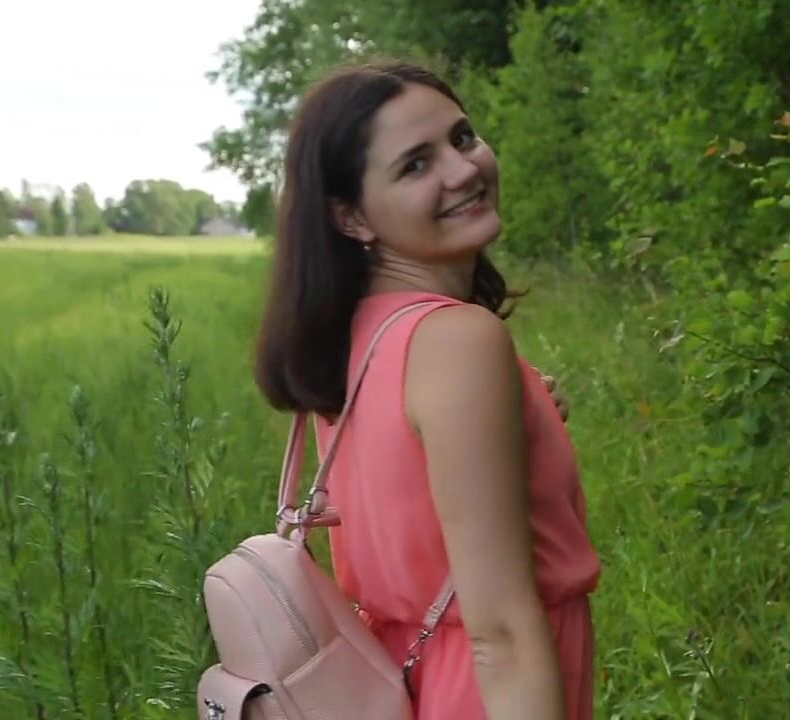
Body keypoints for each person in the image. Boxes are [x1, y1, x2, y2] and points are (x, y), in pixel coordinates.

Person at [253, 60, 601, 720]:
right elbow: (500, 635)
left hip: (400, 680)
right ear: (351, 217)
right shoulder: (456, 342)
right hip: (484, 691)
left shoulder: (357, 337)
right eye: (415, 165)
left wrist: (524, 420)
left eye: (462, 137)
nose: (463, 169)